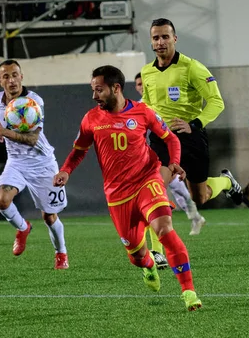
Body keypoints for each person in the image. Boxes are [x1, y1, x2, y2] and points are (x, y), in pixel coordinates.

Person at [53, 65, 202, 311]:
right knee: (137, 257)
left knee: (164, 229)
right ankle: (149, 266)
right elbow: (79, 151)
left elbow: (170, 138)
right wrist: (66, 170)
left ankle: (188, 291)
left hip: (147, 179)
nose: (94, 96)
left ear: (116, 88)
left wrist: (174, 161)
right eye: (93, 90)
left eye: (99, 90)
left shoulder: (143, 112)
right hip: (117, 195)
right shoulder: (91, 119)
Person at [140, 17, 242, 208]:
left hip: (190, 137)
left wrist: (194, 124)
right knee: (156, 185)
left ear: (175, 39)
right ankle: (160, 230)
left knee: (200, 197)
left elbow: (216, 101)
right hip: (162, 138)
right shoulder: (147, 71)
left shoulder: (192, 67)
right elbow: (147, 103)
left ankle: (226, 182)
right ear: (151, 41)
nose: (160, 42)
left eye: (165, 37)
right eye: (156, 38)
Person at [0, 59, 69, 270]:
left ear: (21, 77)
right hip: (16, 162)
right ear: (0, 80)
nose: (11, 80)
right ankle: (23, 228)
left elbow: (32, 139)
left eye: (15, 75)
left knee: (49, 217)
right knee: (2, 201)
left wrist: (5, 132)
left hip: (42, 163)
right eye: (6, 76)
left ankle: (61, 253)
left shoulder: (33, 101)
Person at [135, 72, 206, 236]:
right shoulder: (136, 107)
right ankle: (194, 217)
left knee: (163, 188)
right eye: (139, 84)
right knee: (175, 188)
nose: (141, 87)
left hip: (163, 153)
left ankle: (166, 227)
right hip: (146, 155)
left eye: (143, 83)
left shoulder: (162, 103)